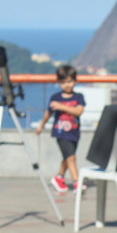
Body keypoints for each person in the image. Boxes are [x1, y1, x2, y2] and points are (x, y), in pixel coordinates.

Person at [34, 64, 85, 194]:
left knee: (68, 158)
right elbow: (48, 113)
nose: (67, 85)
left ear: (75, 81)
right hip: (61, 133)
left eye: (69, 81)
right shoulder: (55, 98)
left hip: (74, 132)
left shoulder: (78, 97)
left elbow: (78, 112)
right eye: (63, 82)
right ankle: (76, 182)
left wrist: (61, 107)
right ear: (59, 83)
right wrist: (41, 126)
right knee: (71, 158)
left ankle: (59, 177)